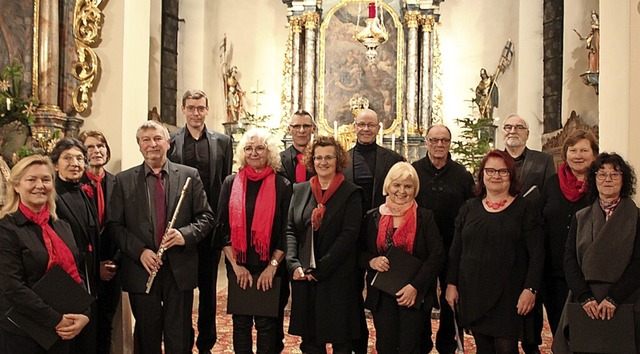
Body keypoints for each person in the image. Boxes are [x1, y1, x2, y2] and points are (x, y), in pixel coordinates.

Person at [107, 120, 214, 354]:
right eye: (146, 140)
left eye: (157, 138)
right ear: (139, 145)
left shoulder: (189, 175)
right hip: (141, 268)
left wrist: (184, 235)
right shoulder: (123, 180)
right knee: (147, 336)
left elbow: (206, 218)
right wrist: (140, 251)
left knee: (180, 335)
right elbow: (115, 226)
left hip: (179, 267)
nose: (152, 144)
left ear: (168, 142)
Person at [445, 150, 544, 354]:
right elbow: (456, 251)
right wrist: (451, 284)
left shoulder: (524, 208)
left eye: (502, 171)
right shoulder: (469, 208)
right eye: (490, 170)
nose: (495, 176)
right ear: (482, 175)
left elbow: (537, 254)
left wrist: (531, 289)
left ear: (511, 175)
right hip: (474, 290)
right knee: (484, 349)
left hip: (509, 293)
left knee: (506, 349)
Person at [0, 155, 90, 353]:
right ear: (16, 186)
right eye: (31, 179)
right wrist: (55, 319)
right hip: (24, 334)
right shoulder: (6, 229)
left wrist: (85, 314)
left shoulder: (62, 226)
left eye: (46, 179)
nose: (39, 185)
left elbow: (77, 273)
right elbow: (12, 287)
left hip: (64, 331)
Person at [553, 152, 640, 353]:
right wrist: (584, 296)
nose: (607, 179)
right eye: (601, 174)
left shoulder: (636, 217)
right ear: (593, 179)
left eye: (614, 174)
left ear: (624, 180)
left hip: (625, 300)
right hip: (586, 300)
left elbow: (638, 262)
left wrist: (614, 298)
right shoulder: (581, 217)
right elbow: (569, 259)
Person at [216, 128, 292, 354]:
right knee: (240, 324)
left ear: (269, 152)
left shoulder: (282, 185)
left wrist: (272, 267)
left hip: (270, 265)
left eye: (260, 148)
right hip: (238, 264)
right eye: (248, 148)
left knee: (266, 325)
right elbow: (222, 229)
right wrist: (236, 266)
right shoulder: (231, 183)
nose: (254, 153)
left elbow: (286, 232)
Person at [168, 89, 233, 353]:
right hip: (183, 227)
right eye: (191, 108)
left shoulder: (222, 141)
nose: (196, 113)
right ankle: (184, 338)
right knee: (183, 289)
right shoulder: (171, 141)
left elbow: (226, 182)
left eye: (201, 108)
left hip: (211, 225)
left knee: (208, 289)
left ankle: (206, 343)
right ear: (183, 109)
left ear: (207, 110)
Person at [286, 136, 363, 354]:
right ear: (311, 160)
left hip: (338, 278)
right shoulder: (299, 190)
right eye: (318, 157)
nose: (323, 162)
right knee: (310, 343)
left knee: (341, 342)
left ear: (338, 159)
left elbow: (348, 237)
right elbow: (291, 229)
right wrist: (293, 264)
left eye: (329, 157)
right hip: (306, 278)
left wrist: (320, 269)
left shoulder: (351, 193)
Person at [359, 162, 445, 353]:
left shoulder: (425, 217)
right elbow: (359, 252)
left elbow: (437, 255)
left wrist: (415, 287)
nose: (401, 191)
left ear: (415, 189)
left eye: (408, 186)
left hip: (415, 295)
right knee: (386, 347)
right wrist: (371, 261)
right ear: (388, 186)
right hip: (382, 295)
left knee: (412, 348)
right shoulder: (373, 217)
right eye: (396, 185)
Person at [412, 124, 475, 354]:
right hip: (422, 248)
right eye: (434, 140)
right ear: (426, 141)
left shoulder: (462, 174)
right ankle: (423, 341)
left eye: (444, 141)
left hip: (452, 246)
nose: (439, 145)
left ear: (449, 143)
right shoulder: (413, 171)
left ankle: (447, 342)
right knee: (422, 296)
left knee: (451, 297)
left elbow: (471, 209)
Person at [346, 108, 403, 353]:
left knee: (383, 296)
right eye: (362, 124)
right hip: (350, 235)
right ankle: (358, 344)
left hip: (384, 236)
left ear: (379, 128)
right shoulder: (342, 159)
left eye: (371, 125)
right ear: (354, 127)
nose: (366, 129)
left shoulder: (394, 160)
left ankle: (387, 344)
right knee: (351, 294)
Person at [501, 114, 554, 353]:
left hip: (531, 239)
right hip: (501, 240)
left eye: (519, 127)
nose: (513, 130)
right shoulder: (494, 159)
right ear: (503, 131)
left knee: (532, 293)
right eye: (509, 126)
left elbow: (548, 198)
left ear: (527, 134)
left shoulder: (543, 161)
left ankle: (531, 343)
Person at [540, 130, 598, 335]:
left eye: (584, 150)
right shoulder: (552, 183)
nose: (578, 155)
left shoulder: (600, 186)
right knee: (558, 331)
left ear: (594, 154)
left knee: (585, 332)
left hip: (587, 273)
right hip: (553, 271)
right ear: (565, 154)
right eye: (573, 150)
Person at [51, 138, 99, 354]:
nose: (75, 163)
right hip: (65, 276)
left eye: (79, 158)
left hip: (89, 273)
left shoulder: (84, 191)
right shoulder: (52, 196)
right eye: (67, 158)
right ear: (55, 164)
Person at [78, 130, 120, 354]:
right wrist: (96, 267)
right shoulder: (75, 184)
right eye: (90, 147)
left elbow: (123, 227)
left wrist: (113, 262)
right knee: (87, 328)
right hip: (85, 270)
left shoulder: (117, 182)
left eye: (101, 145)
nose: (97, 151)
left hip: (112, 266)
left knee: (106, 324)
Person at [279, 110, 317, 184]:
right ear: (289, 129)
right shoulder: (279, 160)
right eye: (296, 126)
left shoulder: (320, 158)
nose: (302, 130)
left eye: (306, 126)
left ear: (313, 129)